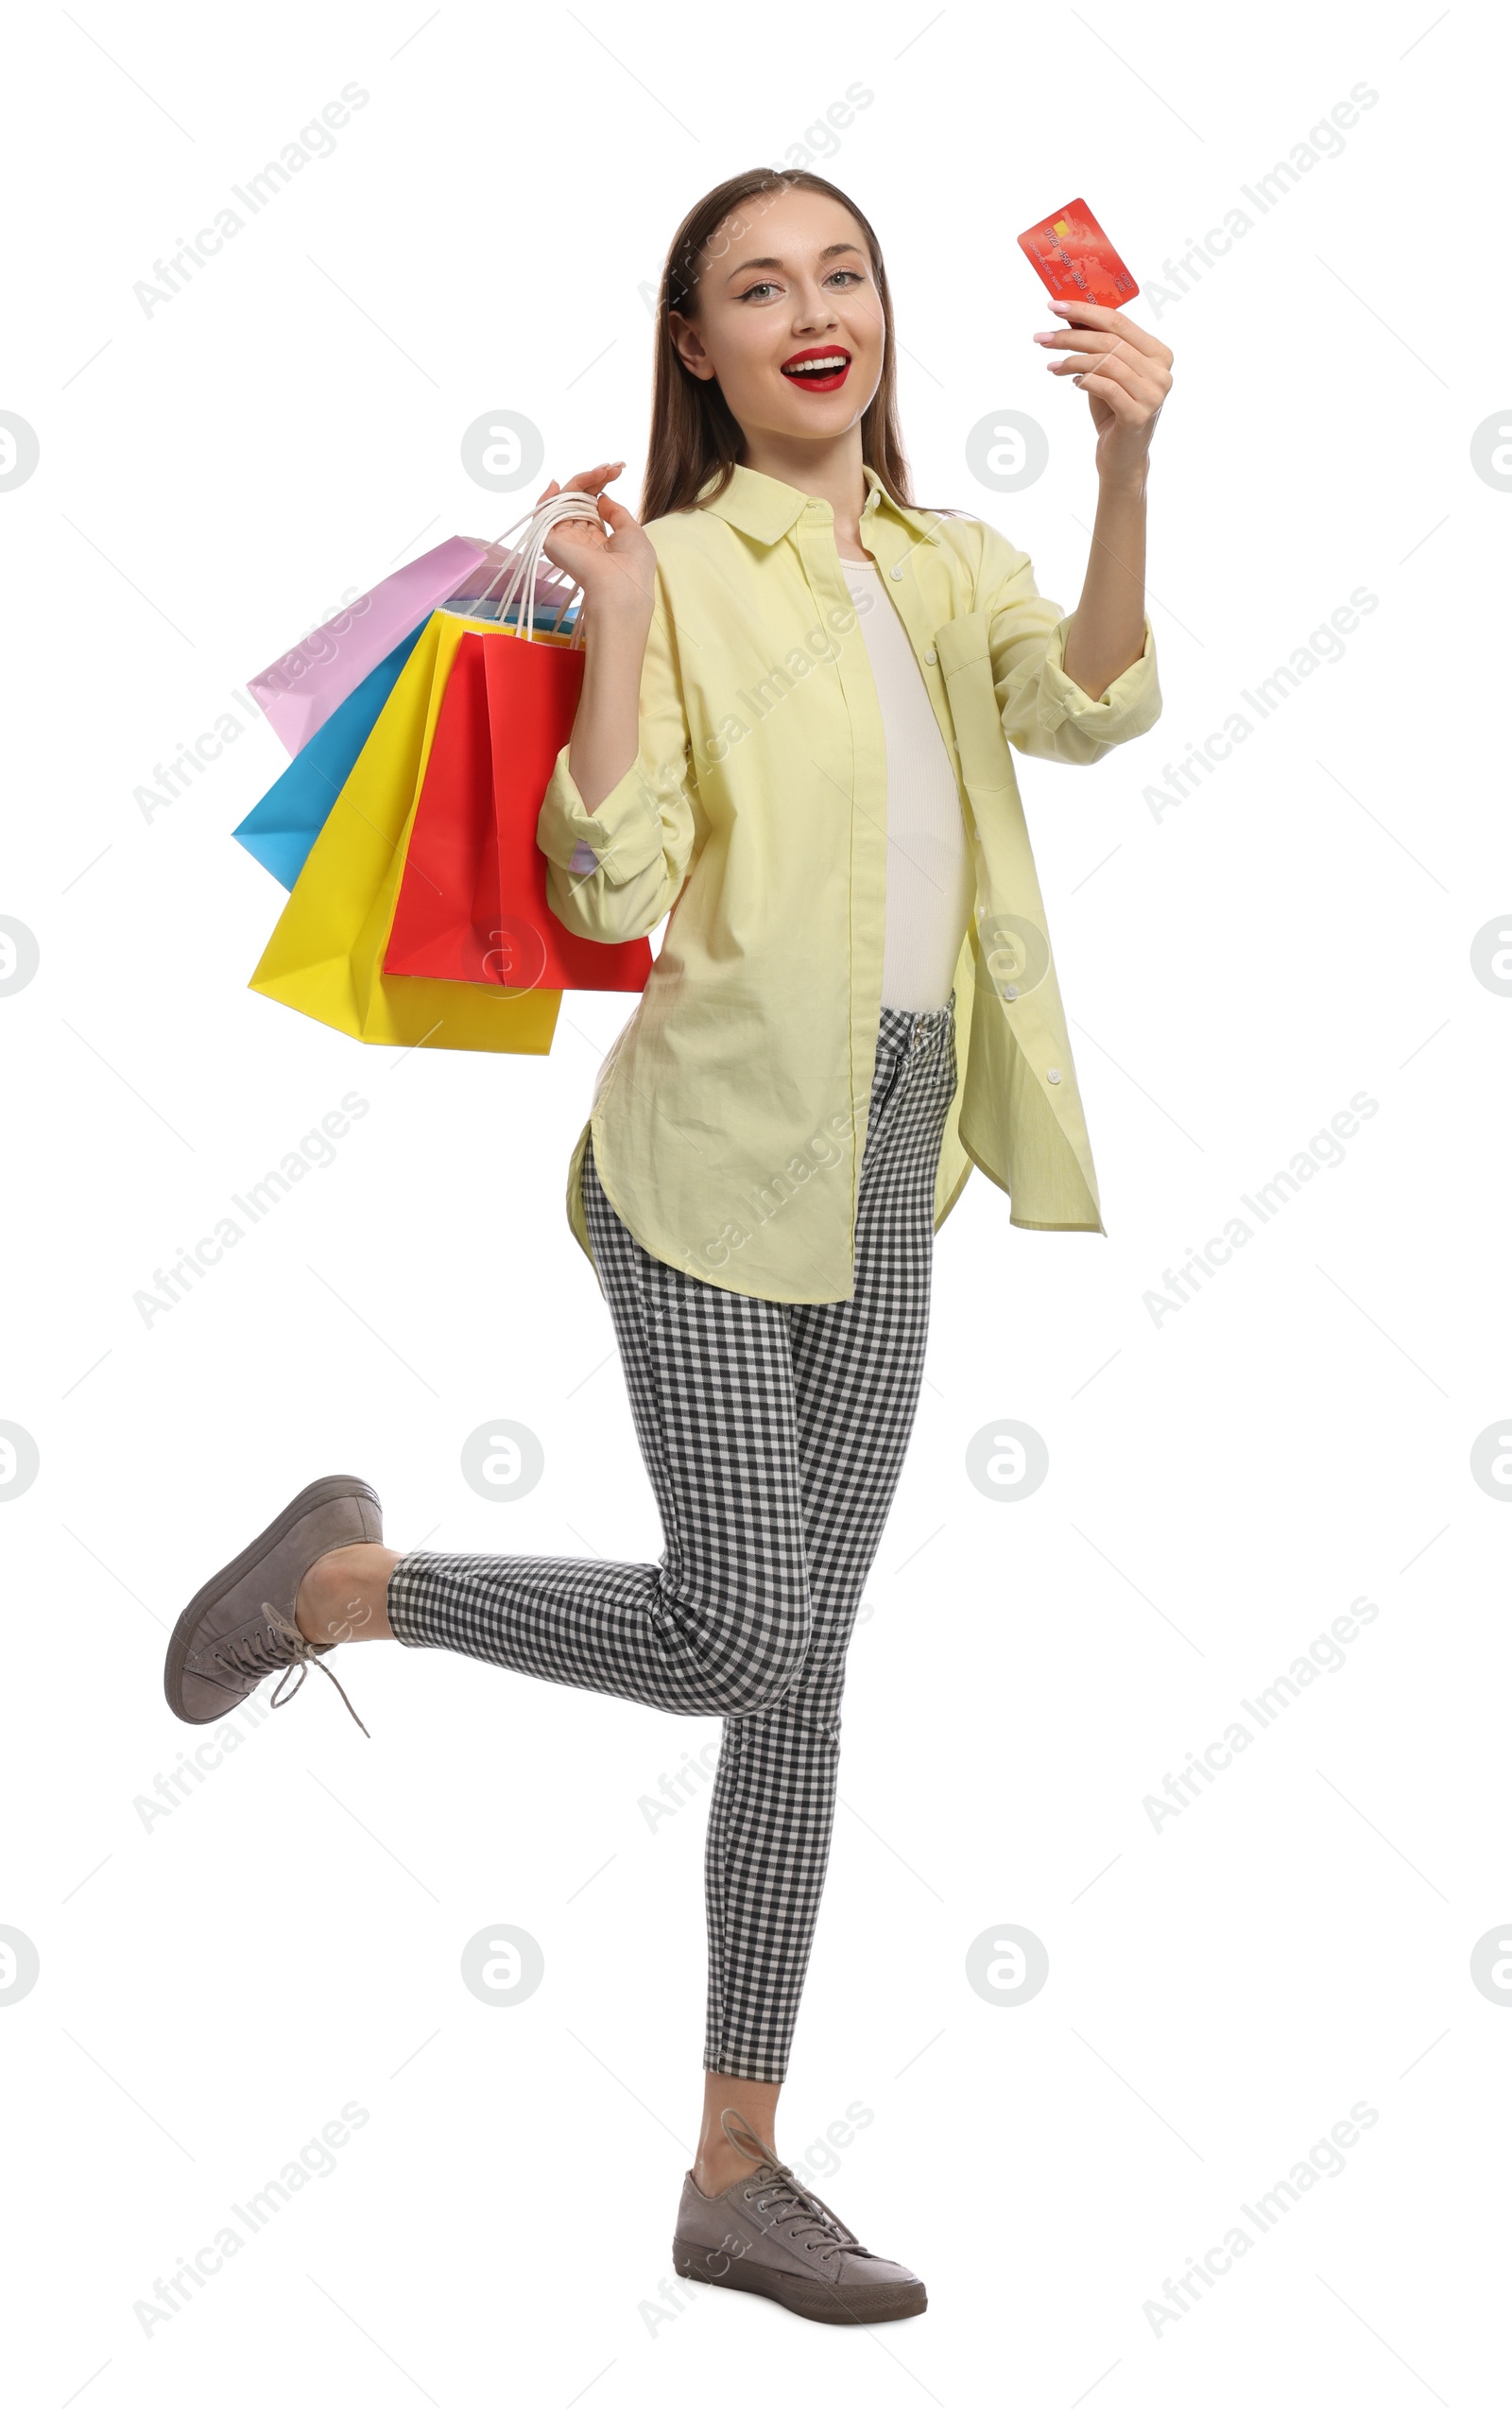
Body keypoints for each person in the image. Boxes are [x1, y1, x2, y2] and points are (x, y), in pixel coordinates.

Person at [164, 166, 1171, 2325]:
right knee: (738, 1633)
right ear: (696, 350)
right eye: (752, 289)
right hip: (707, 1167)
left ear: (880, 319)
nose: (808, 311)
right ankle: (338, 1586)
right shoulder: (685, 572)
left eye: (838, 275)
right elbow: (610, 889)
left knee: (800, 1678)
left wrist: (1122, 456)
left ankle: (736, 2168)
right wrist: (617, 623)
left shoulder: (944, 560)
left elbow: (1088, 707)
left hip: (896, 1159)